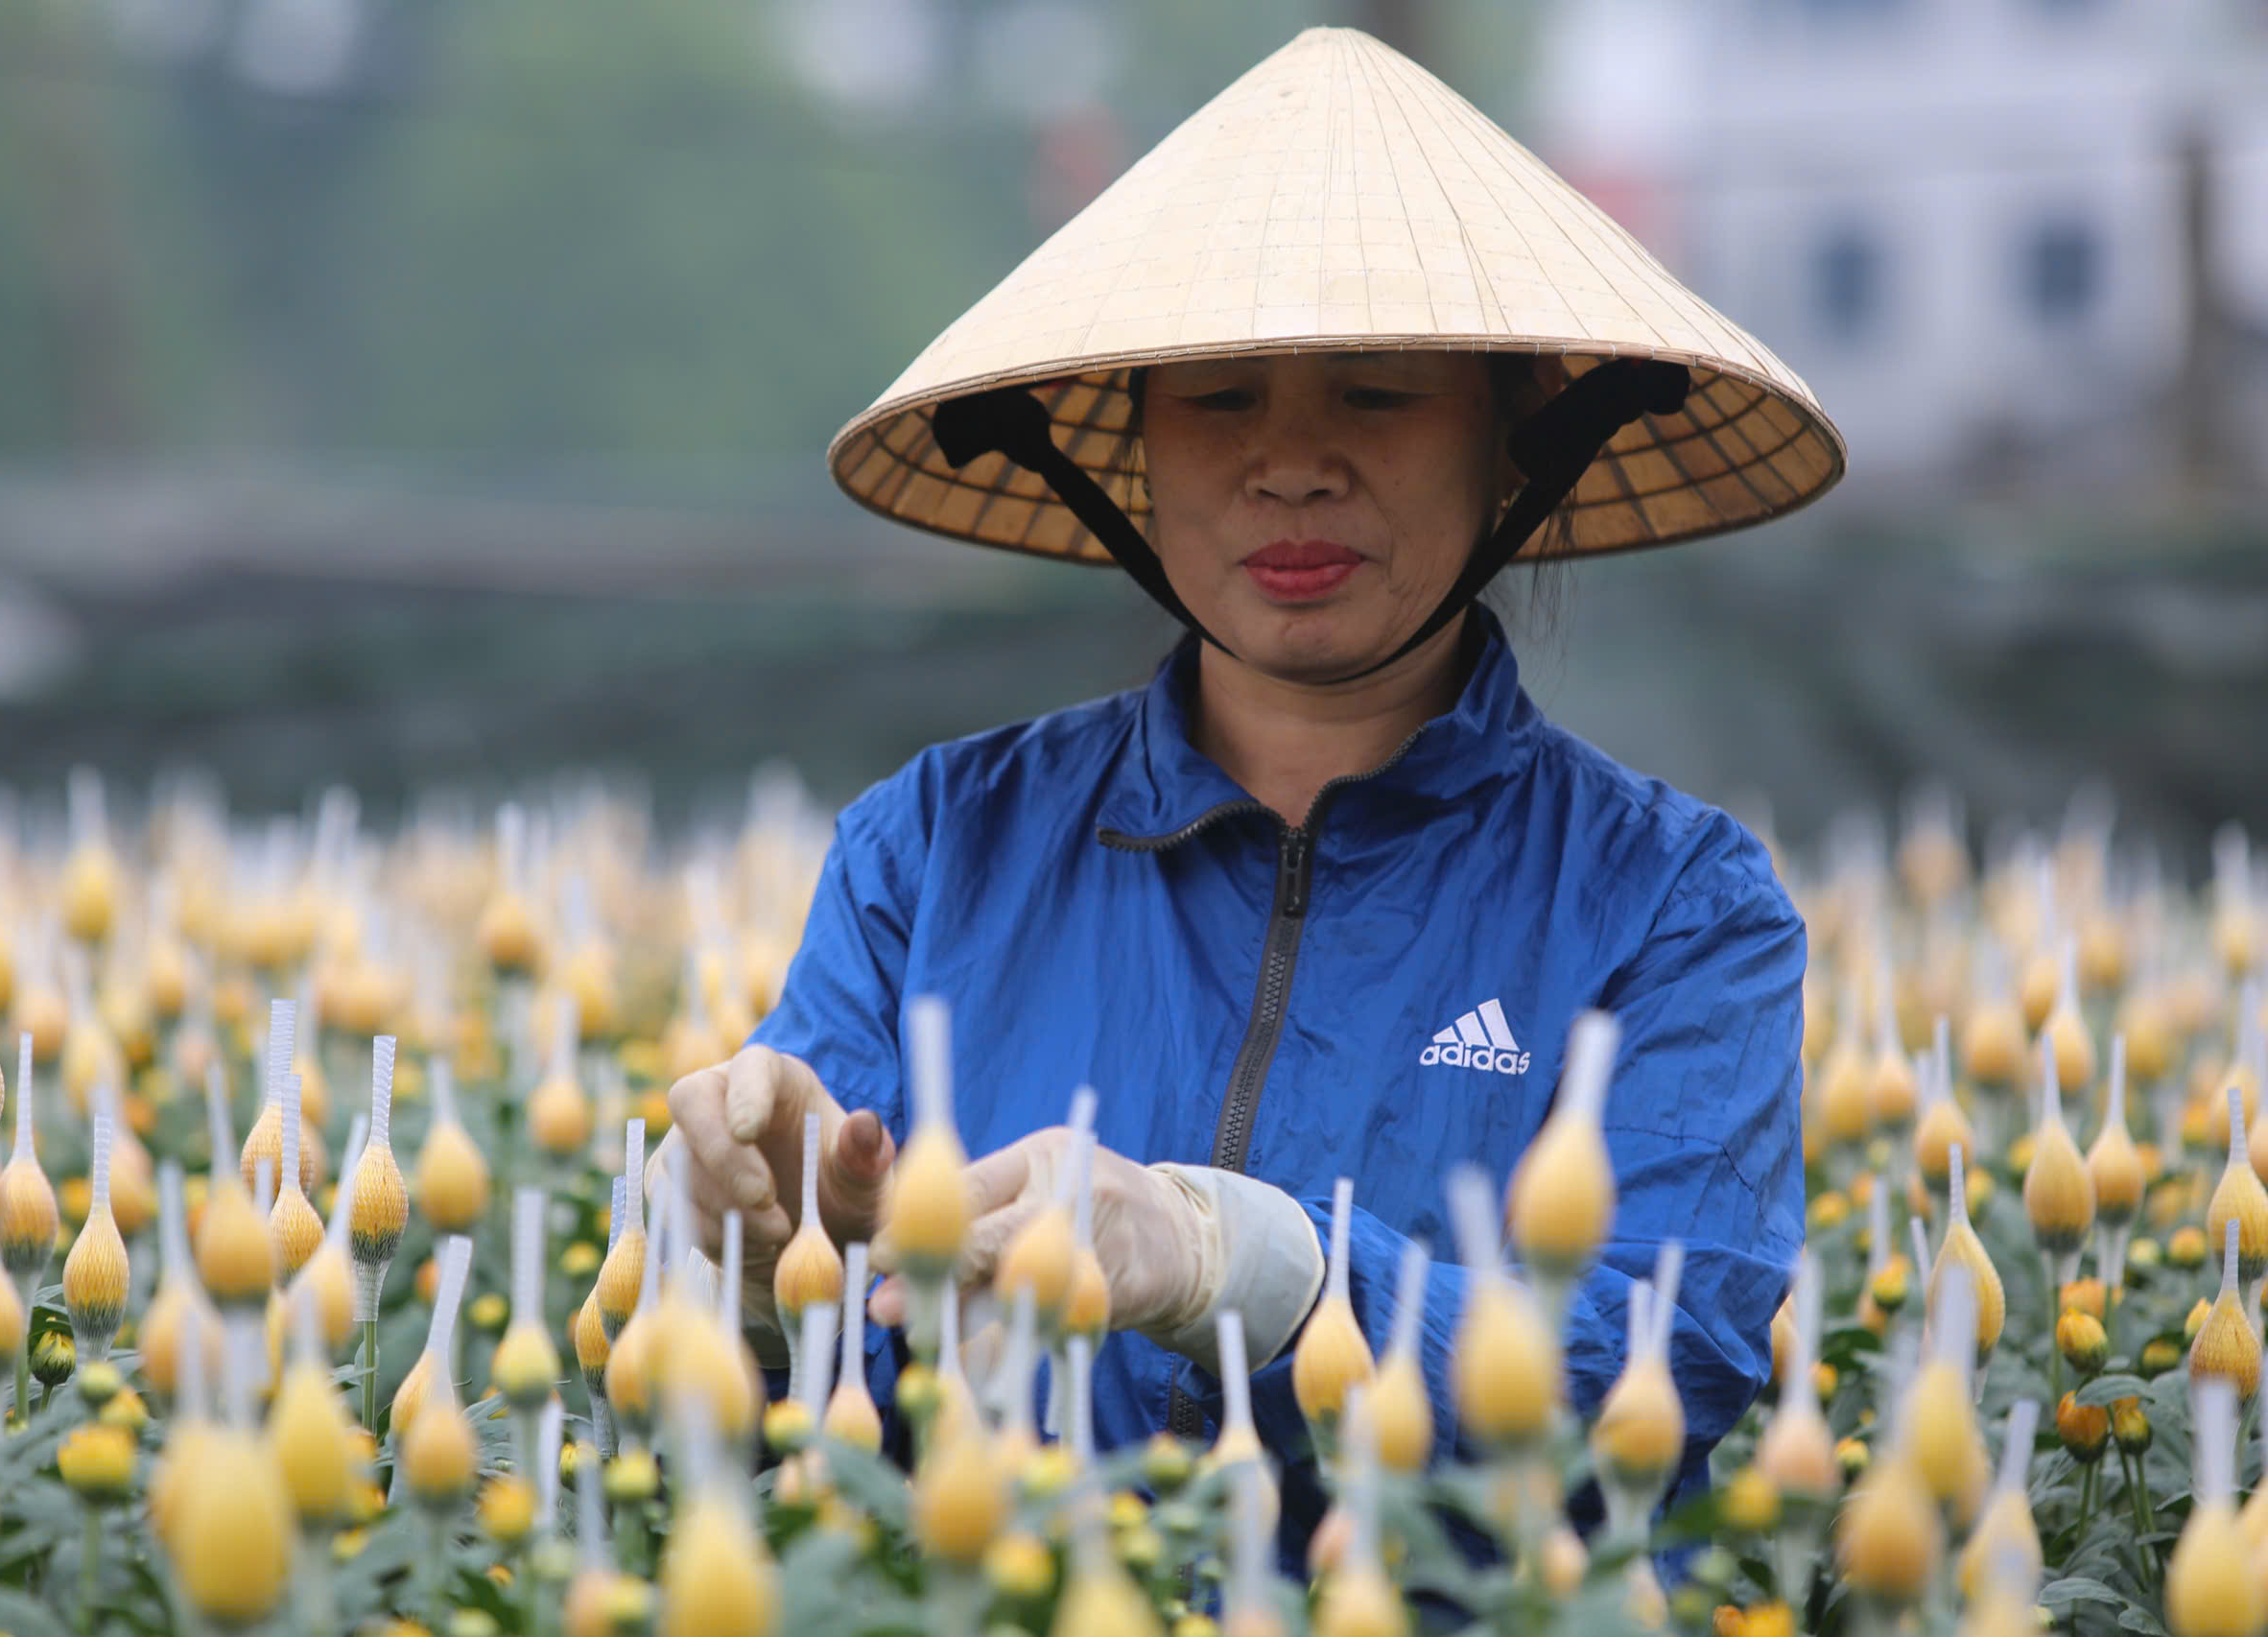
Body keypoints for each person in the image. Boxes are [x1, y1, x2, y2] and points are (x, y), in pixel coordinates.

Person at [656, 26, 1843, 1555]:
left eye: (1373, 393)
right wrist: (755, 1259)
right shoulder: (934, 852)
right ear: (1132, 444)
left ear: (1511, 441)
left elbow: (1659, 1381)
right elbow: (816, 1413)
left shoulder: (1673, 908)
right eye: (1219, 397)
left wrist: (1259, 1267)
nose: (1292, 464)